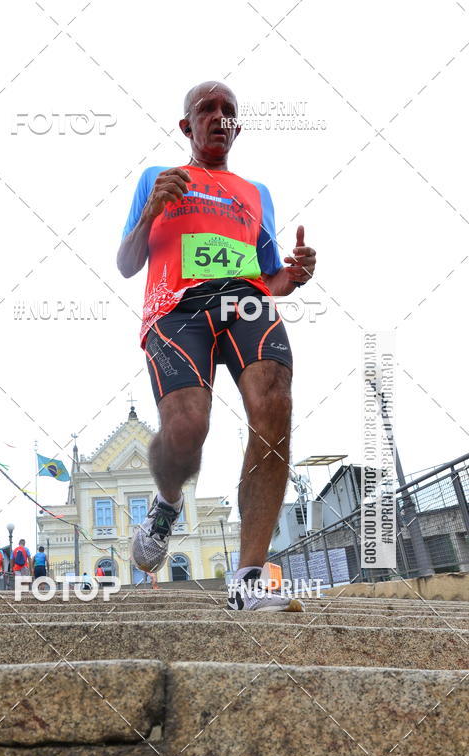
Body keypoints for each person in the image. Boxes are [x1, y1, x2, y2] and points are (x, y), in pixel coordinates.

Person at [117, 82, 317, 612]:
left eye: (229, 111)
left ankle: (248, 579)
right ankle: (167, 503)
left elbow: (269, 277)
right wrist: (150, 211)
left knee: (274, 402)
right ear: (187, 125)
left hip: (246, 302)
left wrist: (292, 277)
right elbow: (126, 263)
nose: (219, 117)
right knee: (188, 428)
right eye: (207, 109)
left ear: (237, 128)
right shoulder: (157, 178)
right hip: (177, 306)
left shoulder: (256, 193)